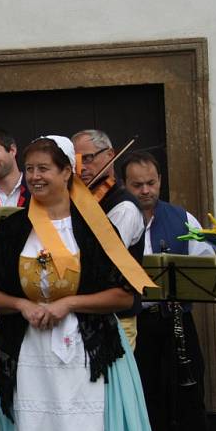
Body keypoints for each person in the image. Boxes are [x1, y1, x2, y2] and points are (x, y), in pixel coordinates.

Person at [0, 136, 156, 431]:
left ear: (66, 173)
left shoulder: (95, 230)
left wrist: (70, 303)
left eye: (44, 168)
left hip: (88, 350)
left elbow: (124, 296)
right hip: (29, 352)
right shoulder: (14, 229)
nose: (34, 176)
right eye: (29, 169)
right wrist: (21, 304)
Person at [123, 151, 215, 431]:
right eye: (137, 185)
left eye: (151, 183)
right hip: (139, 325)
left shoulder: (183, 218)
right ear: (126, 185)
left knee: (191, 399)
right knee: (149, 403)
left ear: (160, 181)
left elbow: (205, 264)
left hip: (177, 322)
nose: (146, 190)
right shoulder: (117, 224)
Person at [72, 129, 146, 347]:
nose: (82, 167)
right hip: (87, 315)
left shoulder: (123, 207)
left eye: (88, 158)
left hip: (117, 318)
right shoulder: (79, 199)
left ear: (110, 155)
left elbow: (105, 261)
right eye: (76, 161)